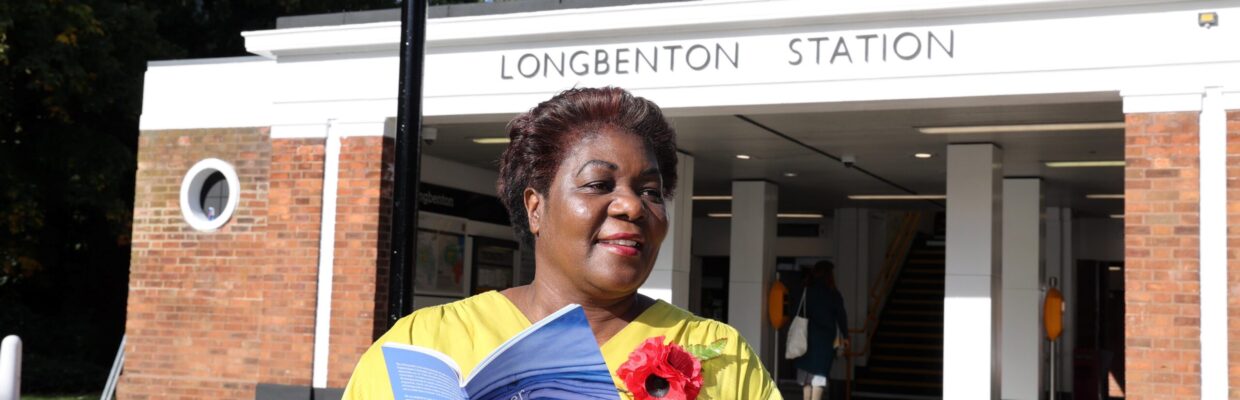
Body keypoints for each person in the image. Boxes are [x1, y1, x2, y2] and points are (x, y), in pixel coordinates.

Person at [342, 87, 780, 399]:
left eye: (650, 191)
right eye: (597, 184)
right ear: (536, 207)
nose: (631, 205)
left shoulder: (720, 354)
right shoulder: (426, 344)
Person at [794, 261, 849, 400]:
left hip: (805, 339)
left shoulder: (806, 289)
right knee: (819, 377)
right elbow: (841, 316)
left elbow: (796, 311)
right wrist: (846, 335)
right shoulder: (833, 293)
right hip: (825, 342)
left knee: (806, 379)